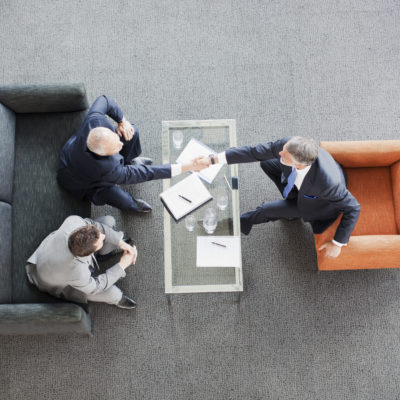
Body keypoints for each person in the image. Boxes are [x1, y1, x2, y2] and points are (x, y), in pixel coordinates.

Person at [197, 136, 360, 258]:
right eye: (283, 149)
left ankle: (233, 225)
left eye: (285, 155)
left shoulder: (328, 184)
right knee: (266, 162)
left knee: (265, 210)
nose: (280, 152)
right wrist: (213, 159)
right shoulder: (288, 145)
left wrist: (338, 243)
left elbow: (353, 207)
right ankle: (290, 200)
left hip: (316, 204)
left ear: (298, 164)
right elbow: (254, 152)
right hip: (302, 185)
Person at [57, 95, 206, 213]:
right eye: (116, 147)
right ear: (104, 155)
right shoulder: (109, 170)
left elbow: (105, 100)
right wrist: (187, 166)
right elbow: (147, 173)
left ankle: (128, 161)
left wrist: (122, 121)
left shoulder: (94, 120)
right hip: (83, 182)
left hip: (74, 153)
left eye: (116, 139)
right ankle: (132, 205)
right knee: (118, 197)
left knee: (131, 131)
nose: (120, 144)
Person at [26, 215, 138, 309]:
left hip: (51, 254)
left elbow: (98, 227)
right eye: (100, 241)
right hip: (59, 281)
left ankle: (104, 254)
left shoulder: (74, 221)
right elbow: (95, 287)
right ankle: (118, 299)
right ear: (90, 254)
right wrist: (122, 265)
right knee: (113, 293)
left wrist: (120, 242)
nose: (103, 236)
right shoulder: (76, 272)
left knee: (109, 220)